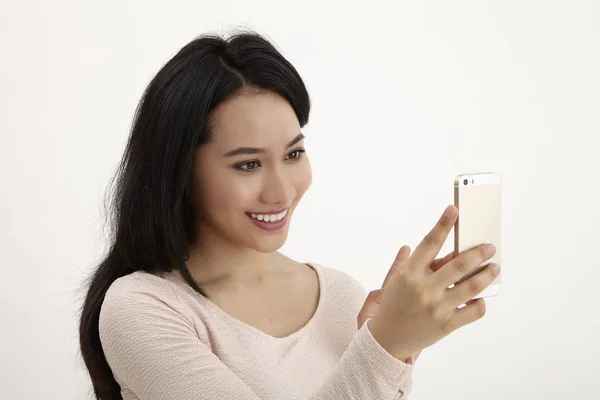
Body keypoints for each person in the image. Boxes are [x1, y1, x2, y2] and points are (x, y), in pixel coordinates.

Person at [79, 30, 500, 400]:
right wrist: (385, 348)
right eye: (248, 164)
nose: (281, 191)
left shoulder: (342, 296)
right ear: (180, 170)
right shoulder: (142, 307)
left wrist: (399, 343)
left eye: (294, 153)